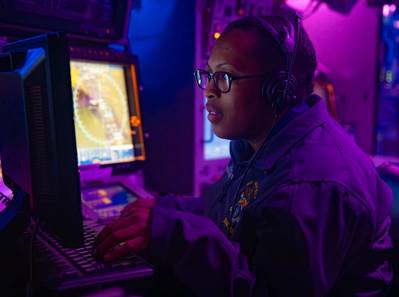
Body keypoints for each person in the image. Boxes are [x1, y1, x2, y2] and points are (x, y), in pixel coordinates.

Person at [93, 14, 393, 297]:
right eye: (208, 74)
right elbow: (228, 215)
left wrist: (173, 235)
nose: (208, 90)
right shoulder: (263, 144)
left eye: (224, 77)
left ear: (278, 90)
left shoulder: (307, 186)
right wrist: (161, 208)